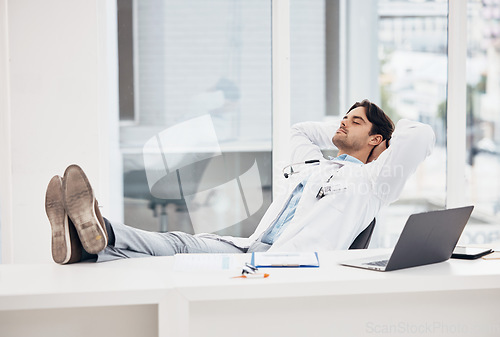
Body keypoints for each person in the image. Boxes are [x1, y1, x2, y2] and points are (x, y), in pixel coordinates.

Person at [45, 99, 435, 264]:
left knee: (173, 254)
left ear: (377, 139)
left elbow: (418, 135)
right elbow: (299, 131)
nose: (342, 123)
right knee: (176, 246)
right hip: (250, 250)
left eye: (355, 121)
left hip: (286, 266)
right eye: (343, 116)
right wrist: (344, 131)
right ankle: (90, 241)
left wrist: (377, 148)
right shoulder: (314, 165)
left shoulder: (373, 182)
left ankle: (94, 235)